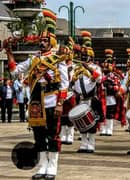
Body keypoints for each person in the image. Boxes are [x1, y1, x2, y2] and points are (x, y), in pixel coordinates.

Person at [4, 8, 69, 180]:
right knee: (39, 136)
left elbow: (65, 84)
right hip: (36, 104)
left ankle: (52, 168)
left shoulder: (57, 60)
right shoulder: (33, 60)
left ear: (51, 43)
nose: (42, 43)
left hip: (52, 101)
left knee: (53, 136)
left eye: (45, 41)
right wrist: (9, 53)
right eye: (41, 40)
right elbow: (15, 71)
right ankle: (42, 167)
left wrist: (60, 104)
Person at [70, 31, 104, 153]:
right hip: (80, 98)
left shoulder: (95, 67)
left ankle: (92, 144)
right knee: (81, 123)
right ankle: (84, 143)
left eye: (85, 55)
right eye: (82, 55)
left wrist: (88, 68)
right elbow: (70, 82)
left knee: (92, 123)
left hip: (91, 98)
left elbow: (98, 78)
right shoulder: (75, 68)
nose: (83, 57)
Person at [100, 49, 125, 136]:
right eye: (104, 66)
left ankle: (109, 129)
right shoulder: (101, 75)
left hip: (110, 97)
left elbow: (117, 86)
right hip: (102, 96)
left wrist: (111, 87)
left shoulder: (114, 75)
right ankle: (103, 128)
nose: (105, 68)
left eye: (107, 66)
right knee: (103, 113)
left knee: (109, 113)